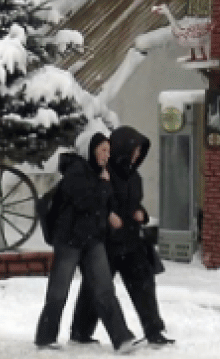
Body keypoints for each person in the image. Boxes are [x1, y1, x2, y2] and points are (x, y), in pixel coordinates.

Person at [34, 132, 140, 354]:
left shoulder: (101, 173)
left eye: (108, 151)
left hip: (93, 239)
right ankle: (45, 337)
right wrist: (103, 186)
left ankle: (121, 339)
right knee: (59, 290)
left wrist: (110, 214)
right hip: (69, 240)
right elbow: (84, 201)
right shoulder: (76, 170)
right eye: (102, 150)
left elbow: (102, 203)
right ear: (90, 150)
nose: (106, 155)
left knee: (104, 289)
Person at [70, 126, 174, 346]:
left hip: (131, 241)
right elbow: (91, 201)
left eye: (138, 152)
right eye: (133, 151)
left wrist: (141, 214)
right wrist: (109, 215)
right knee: (94, 288)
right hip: (105, 243)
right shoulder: (101, 174)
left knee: (144, 284)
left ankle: (153, 330)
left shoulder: (134, 177)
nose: (136, 156)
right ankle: (80, 332)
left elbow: (134, 204)